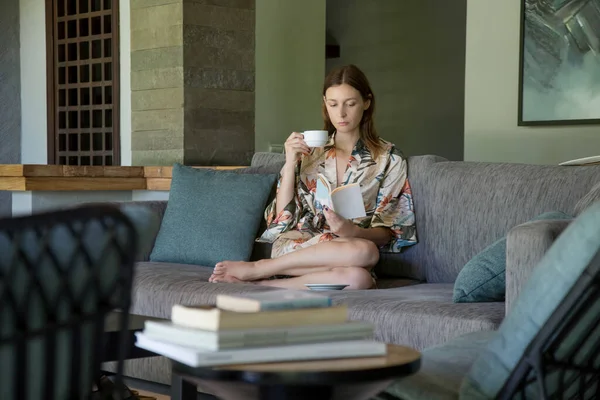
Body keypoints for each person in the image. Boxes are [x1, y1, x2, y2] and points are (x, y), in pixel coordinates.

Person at [209, 64, 417, 290]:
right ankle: (258, 267)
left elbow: (390, 231)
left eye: (351, 103)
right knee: (364, 252)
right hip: (299, 246)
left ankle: (262, 284)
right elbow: (282, 217)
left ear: (366, 103)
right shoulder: (310, 151)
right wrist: (289, 163)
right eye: (333, 104)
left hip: (348, 252)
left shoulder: (389, 158)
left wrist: (352, 232)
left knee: (360, 278)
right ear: (325, 104)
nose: (341, 114)